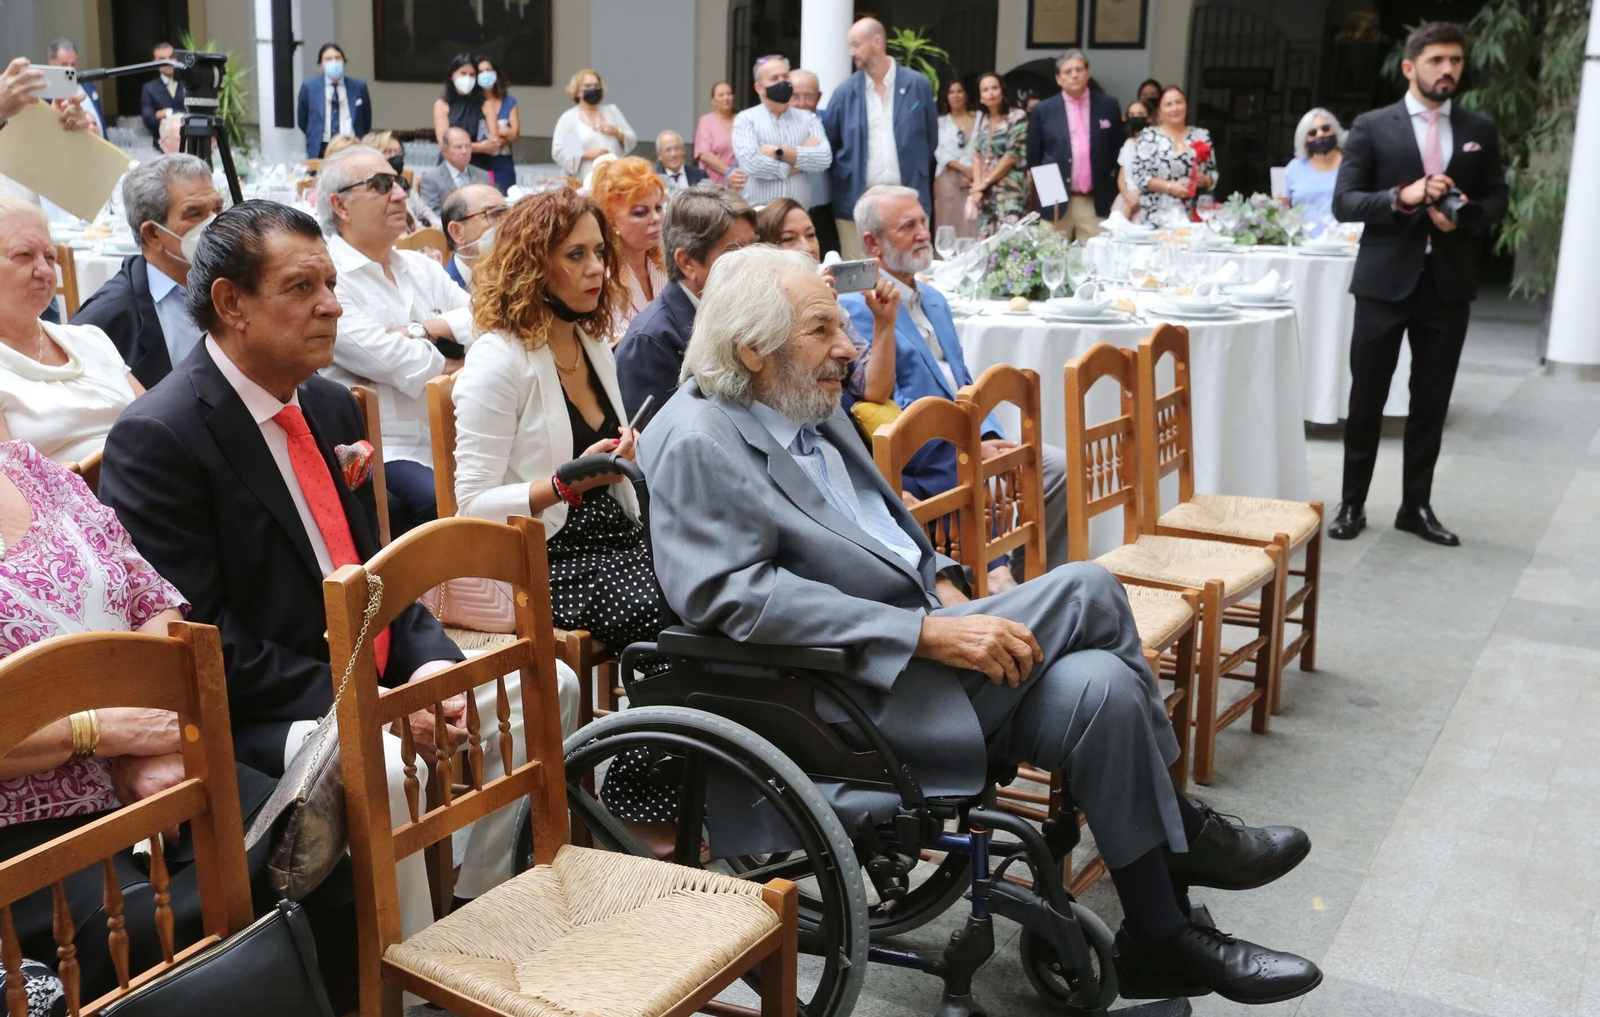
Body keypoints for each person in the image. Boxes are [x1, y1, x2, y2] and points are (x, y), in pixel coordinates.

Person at [642, 243, 1323, 1006]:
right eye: (823, 328)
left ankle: (1161, 935)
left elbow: (884, 528)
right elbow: (730, 597)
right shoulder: (700, 438)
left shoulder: (803, 402)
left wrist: (946, 589)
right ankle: (1185, 834)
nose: (851, 345)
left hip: (924, 640)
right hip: (849, 692)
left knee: (1103, 688)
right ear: (752, 350)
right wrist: (926, 633)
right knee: (1092, 587)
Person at [99, 200, 575, 953]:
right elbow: (203, 645)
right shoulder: (159, 436)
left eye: (330, 280)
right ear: (231, 304)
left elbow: (373, 571)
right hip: (270, 700)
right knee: (379, 760)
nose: (332, 304)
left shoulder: (319, 399)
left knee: (550, 681)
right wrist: (374, 702)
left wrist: (434, 665)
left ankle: (488, 906)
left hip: (368, 669)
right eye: (301, 287)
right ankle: (416, 967)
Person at [0, 440, 285, 1010]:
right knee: (162, 932)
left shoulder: (26, 465)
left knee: (305, 845)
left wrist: (156, 738)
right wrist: (107, 733)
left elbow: (145, 592)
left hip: (164, 756)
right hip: (29, 819)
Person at [453, 188, 665, 693]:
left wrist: (625, 454)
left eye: (598, 253)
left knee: (714, 578)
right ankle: (654, 753)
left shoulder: (591, 343)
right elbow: (470, 507)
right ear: (532, 266)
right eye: (576, 255)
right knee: (672, 608)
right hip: (544, 560)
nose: (596, 269)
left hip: (616, 539)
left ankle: (678, 743)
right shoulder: (498, 359)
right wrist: (565, 483)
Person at [1330, 22, 1506, 547]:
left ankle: (1416, 506)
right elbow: (1345, 202)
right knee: (1367, 399)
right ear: (1410, 67)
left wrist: (1468, 217)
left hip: (1447, 286)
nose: (1447, 69)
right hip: (1384, 283)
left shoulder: (1480, 128)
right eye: (1436, 60)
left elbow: (1497, 199)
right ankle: (1352, 504)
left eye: (1455, 60)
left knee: (1431, 402)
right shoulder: (1371, 125)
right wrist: (1402, 197)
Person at [839, 185, 1070, 586]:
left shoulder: (933, 298)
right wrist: (969, 448)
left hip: (968, 436)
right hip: (928, 455)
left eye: (923, 222)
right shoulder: (860, 309)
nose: (923, 234)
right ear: (871, 243)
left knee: (1056, 467)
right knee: (1020, 473)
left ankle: (1037, 581)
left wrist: (990, 434)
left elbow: (962, 382)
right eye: (907, 226)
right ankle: (1004, 585)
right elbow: (891, 401)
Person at [315, 146, 475, 533]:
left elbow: (487, 324)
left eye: (400, 183)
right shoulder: (329, 277)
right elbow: (393, 359)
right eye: (382, 185)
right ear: (341, 205)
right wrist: (456, 357)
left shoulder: (421, 266)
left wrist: (422, 330)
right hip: (382, 448)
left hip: (460, 433)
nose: (401, 194)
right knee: (436, 502)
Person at [0, 200, 141, 463]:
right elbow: (13, 485)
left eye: (50, 257)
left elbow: (160, 418)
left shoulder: (91, 338)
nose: (44, 270)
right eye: (24, 255)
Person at [72, 154, 223, 388]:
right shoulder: (106, 320)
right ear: (153, 234)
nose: (213, 222)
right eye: (195, 213)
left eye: (217, 208)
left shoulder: (240, 280)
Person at [616, 185, 756, 418]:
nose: (754, 263)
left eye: (754, 247)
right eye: (736, 253)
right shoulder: (650, 343)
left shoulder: (746, 312)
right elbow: (656, 443)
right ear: (687, 262)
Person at [823, 18, 938, 258]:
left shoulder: (918, 85)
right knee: (857, 278)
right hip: (857, 201)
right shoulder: (844, 92)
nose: (851, 52)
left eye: (856, 45)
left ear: (877, 42)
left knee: (912, 270)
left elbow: (930, 140)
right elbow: (830, 144)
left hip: (909, 198)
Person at [1027, 50, 1124, 239]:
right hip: (1055, 198)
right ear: (1058, 78)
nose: (1074, 75)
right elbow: (1034, 157)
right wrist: (1048, 193)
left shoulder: (1108, 105)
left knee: (1094, 260)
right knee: (1050, 257)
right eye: (1067, 71)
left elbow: (1116, 150)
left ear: (1087, 73)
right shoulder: (1043, 110)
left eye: (1079, 69)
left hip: (1093, 199)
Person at [732, 55, 833, 208]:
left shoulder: (808, 119)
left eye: (785, 76)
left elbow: (824, 158)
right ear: (758, 87)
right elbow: (753, 165)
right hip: (760, 215)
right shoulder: (746, 119)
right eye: (774, 78)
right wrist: (801, 157)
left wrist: (779, 152)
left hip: (799, 215)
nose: (782, 82)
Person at [588, 156, 667, 344]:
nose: (656, 218)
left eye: (658, 208)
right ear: (611, 220)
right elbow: (606, 349)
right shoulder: (601, 278)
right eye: (641, 212)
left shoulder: (667, 266)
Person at [1129, 85, 1217, 224]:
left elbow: (1213, 174)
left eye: (1179, 102)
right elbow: (1140, 177)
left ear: (1186, 106)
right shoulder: (1149, 136)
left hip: (1194, 215)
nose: (1175, 108)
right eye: (1168, 104)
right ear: (1160, 111)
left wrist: (1205, 180)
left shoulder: (1201, 135)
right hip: (1156, 215)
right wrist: (1170, 187)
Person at [785, 68, 841, 257]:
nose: (801, 104)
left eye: (809, 96)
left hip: (825, 212)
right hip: (789, 211)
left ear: (818, 97)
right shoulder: (774, 123)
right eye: (795, 96)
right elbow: (755, 161)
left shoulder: (830, 120)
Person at [969, 72, 1029, 237]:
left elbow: (1012, 155)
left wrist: (985, 182)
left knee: (1008, 243)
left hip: (1010, 190)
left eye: (994, 87)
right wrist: (977, 187)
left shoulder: (1016, 116)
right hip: (987, 195)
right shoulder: (984, 120)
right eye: (985, 89)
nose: (991, 93)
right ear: (980, 97)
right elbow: (977, 155)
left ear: (1002, 91)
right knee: (985, 243)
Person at [551, 68, 636, 182]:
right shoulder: (571, 119)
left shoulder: (612, 112)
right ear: (577, 91)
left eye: (597, 86)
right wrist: (587, 154)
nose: (593, 89)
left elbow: (631, 140)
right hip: (583, 180)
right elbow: (561, 152)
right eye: (588, 86)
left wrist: (616, 131)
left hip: (612, 180)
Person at [296, 43, 372, 160]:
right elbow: (303, 120)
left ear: (344, 61)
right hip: (321, 147)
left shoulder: (359, 87)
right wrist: (314, 136)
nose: (334, 62)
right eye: (328, 59)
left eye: (337, 58)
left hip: (351, 146)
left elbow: (366, 121)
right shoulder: (310, 86)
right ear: (321, 64)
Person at [431, 54, 497, 176]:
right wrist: (480, 147)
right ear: (452, 75)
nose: (468, 78)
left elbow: (493, 145)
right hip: (449, 170)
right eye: (463, 73)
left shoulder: (486, 104)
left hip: (481, 168)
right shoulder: (442, 104)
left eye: (472, 75)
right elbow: (444, 144)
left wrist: (457, 147)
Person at [933, 77, 981, 241]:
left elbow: (985, 146)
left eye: (959, 91)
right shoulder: (940, 122)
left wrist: (973, 172)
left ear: (966, 94)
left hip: (977, 180)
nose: (956, 95)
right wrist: (964, 169)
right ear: (946, 97)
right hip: (947, 179)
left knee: (971, 223)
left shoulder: (981, 118)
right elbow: (939, 151)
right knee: (947, 224)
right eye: (951, 92)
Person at [363, 130, 441, 230]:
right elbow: (408, 229)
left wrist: (438, 227)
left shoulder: (402, 183)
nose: (396, 157)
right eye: (389, 152)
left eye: (399, 152)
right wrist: (429, 231)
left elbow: (427, 212)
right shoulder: (373, 190)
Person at [1285, 108, 1346, 233]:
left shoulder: (1351, 164)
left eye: (1325, 128)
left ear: (1334, 129)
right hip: (1303, 244)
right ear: (1305, 139)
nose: (1320, 134)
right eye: (1312, 132)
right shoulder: (1293, 168)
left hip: (1346, 243)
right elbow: (1281, 209)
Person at [440, 182, 507, 291]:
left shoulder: (517, 277)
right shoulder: (444, 292)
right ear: (457, 232)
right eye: (494, 214)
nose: (506, 222)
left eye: (506, 212)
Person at [419, 127, 492, 215]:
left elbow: (490, 207)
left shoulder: (483, 175)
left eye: (467, 146)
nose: (464, 151)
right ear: (444, 151)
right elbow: (431, 213)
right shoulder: (431, 179)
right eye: (458, 147)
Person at [476, 56, 519, 193]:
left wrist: (490, 131)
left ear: (495, 73)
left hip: (504, 163)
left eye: (488, 70)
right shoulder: (473, 103)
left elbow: (515, 134)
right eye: (480, 72)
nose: (485, 74)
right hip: (480, 161)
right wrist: (504, 131)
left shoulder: (509, 101)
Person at [46, 38, 103, 137]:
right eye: (64, 65)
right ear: (51, 61)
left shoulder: (87, 84)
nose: (70, 69)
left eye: (73, 64)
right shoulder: (45, 93)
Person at [139, 41, 184, 148]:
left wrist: (167, 112)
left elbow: (194, 114)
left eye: (171, 57)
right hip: (162, 147)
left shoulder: (188, 84)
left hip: (189, 144)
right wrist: (180, 114)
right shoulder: (149, 88)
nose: (168, 61)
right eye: (162, 59)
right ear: (154, 62)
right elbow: (149, 120)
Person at [694, 81, 738, 185]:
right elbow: (705, 155)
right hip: (715, 183)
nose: (726, 98)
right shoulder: (706, 121)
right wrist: (730, 172)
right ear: (713, 101)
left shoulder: (743, 120)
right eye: (721, 95)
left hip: (741, 182)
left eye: (729, 94)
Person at [1113, 99, 1150, 221]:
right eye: (1132, 115)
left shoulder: (1154, 144)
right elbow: (1121, 177)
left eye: (1140, 114)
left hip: (1145, 201)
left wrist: (1134, 202)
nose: (1136, 118)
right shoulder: (1128, 143)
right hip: (1125, 199)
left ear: (1149, 117)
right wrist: (1127, 198)